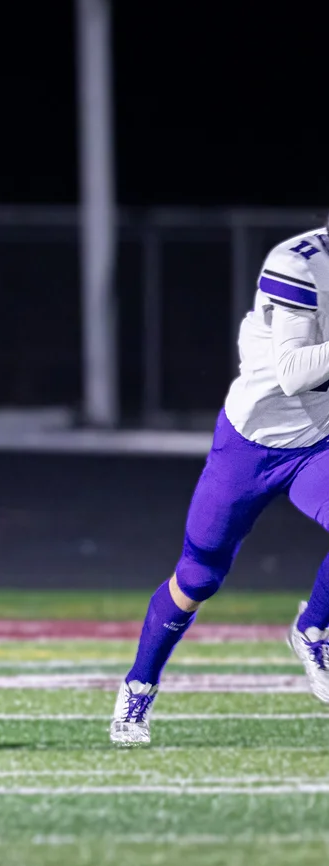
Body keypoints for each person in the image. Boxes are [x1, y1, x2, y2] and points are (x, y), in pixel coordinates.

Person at [112, 222, 329, 746]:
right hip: (250, 443)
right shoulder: (299, 261)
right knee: (198, 576)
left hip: (320, 440)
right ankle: (137, 688)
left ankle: (315, 629)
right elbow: (295, 371)